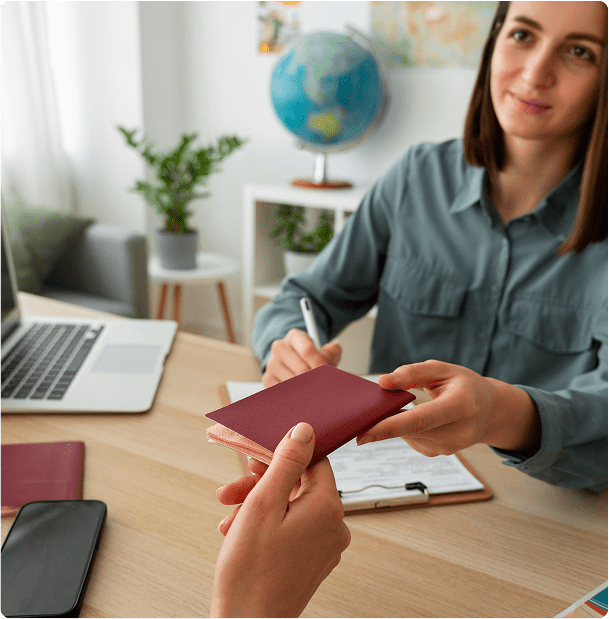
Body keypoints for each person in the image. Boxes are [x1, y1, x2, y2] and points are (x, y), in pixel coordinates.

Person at [211, 2, 607, 616]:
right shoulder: (415, 177)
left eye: (580, 51)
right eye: (522, 35)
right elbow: (305, 295)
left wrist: (503, 414)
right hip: (378, 511)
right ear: (495, 40)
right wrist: (285, 341)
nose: (535, 72)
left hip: (540, 533)